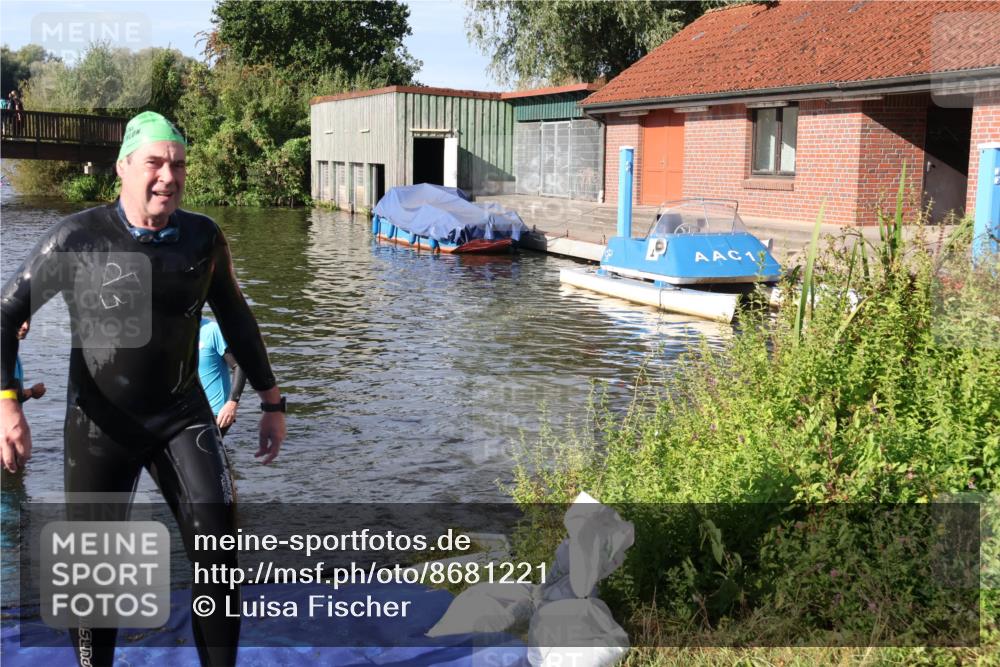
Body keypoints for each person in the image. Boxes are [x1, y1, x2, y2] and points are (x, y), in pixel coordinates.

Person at [0, 111, 286, 667]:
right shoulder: (76, 239)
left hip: (182, 416)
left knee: (220, 552)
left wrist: (271, 401)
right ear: (123, 168)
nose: (168, 176)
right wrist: (8, 403)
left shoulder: (202, 238)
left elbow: (236, 317)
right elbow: (7, 314)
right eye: (155, 163)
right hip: (100, 425)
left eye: (178, 165)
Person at [199, 315, 246, 436]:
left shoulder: (213, 330)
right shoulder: (172, 331)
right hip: (184, 410)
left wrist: (232, 403)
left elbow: (239, 366)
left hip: (215, 412)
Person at [8, 320, 46, 403]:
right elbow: (13, 395)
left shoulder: (11, 350)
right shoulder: (6, 352)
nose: (25, 326)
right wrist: (32, 391)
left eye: (28, 321)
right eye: (20, 320)